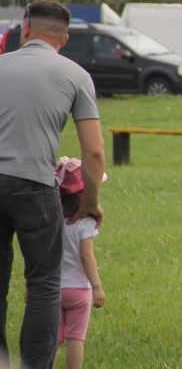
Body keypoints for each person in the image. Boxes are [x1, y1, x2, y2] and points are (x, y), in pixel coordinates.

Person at [0, 0, 105, 369]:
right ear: (64, 38)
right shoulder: (74, 75)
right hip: (34, 185)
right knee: (44, 283)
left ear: (24, 28)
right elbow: (93, 153)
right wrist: (89, 203)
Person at [55, 158, 105, 369]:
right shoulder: (85, 223)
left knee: (53, 338)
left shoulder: (53, 220)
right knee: (76, 337)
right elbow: (86, 257)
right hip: (79, 289)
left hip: (53, 288)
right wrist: (97, 287)